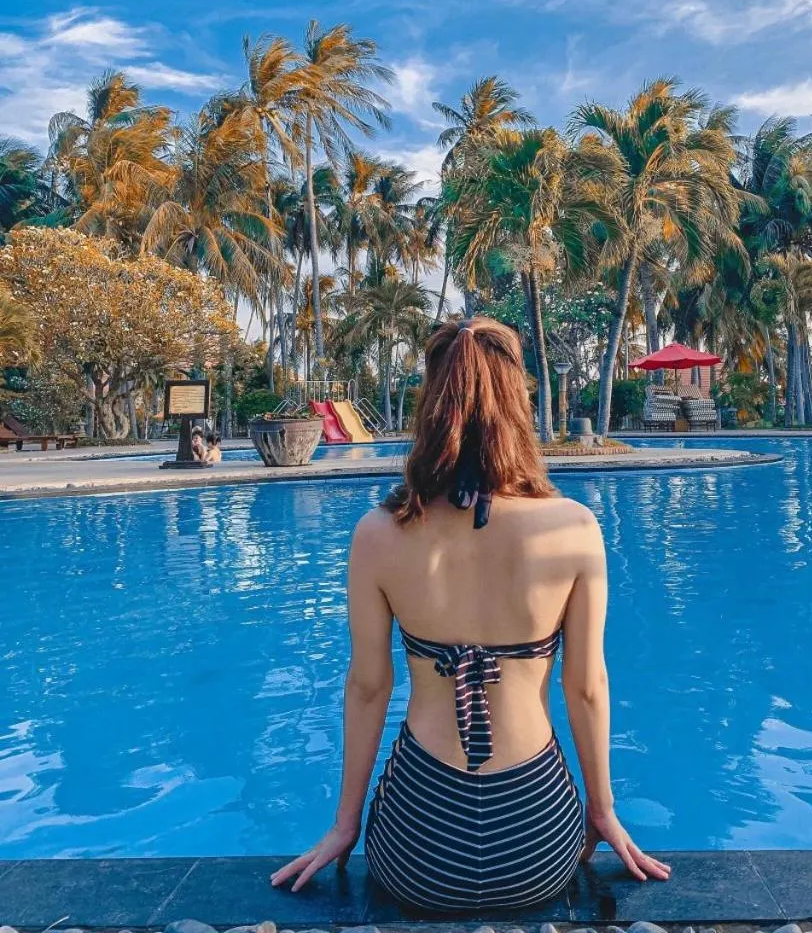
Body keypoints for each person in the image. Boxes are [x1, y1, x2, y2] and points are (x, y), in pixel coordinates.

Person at [271, 317, 670, 910]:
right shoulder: (573, 528)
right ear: (518, 402)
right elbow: (585, 687)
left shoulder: (379, 535)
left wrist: (343, 826)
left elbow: (366, 688)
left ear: (431, 403)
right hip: (536, 847)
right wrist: (603, 811)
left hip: (417, 851)